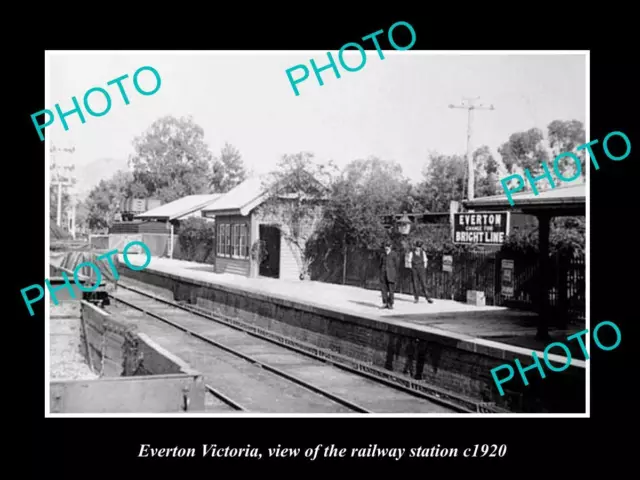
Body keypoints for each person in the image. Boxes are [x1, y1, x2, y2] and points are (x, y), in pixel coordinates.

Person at [379, 241, 398, 309]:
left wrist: (394, 274)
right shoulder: (382, 254)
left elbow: (396, 265)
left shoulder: (394, 254)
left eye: (388, 246)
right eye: (385, 246)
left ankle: (390, 303)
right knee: (383, 289)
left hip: (391, 274)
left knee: (391, 290)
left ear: (390, 247)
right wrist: (381, 272)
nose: (386, 247)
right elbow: (380, 264)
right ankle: (385, 303)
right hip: (383, 274)